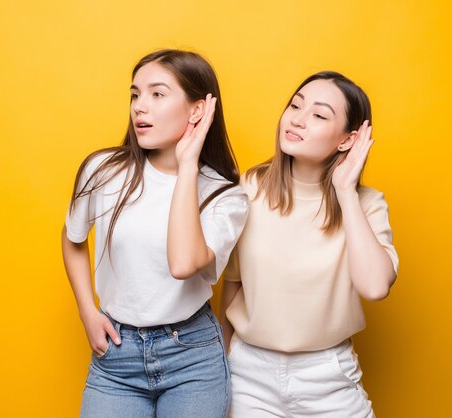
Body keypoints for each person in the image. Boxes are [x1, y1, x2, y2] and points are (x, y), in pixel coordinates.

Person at [62, 49, 248, 418]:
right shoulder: (102, 171)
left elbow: (183, 264)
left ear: (197, 110)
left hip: (192, 358)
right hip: (116, 357)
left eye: (157, 94)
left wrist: (188, 164)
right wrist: (87, 311)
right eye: (135, 94)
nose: (139, 107)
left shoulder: (225, 195)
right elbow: (72, 238)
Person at [221, 71, 399, 418]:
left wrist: (345, 192)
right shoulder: (248, 188)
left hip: (327, 375)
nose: (298, 119)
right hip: (249, 373)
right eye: (295, 105)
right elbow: (232, 283)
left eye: (318, 115)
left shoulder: (367, 204)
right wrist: (225, 361)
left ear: (348, 140)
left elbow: (376, 286)